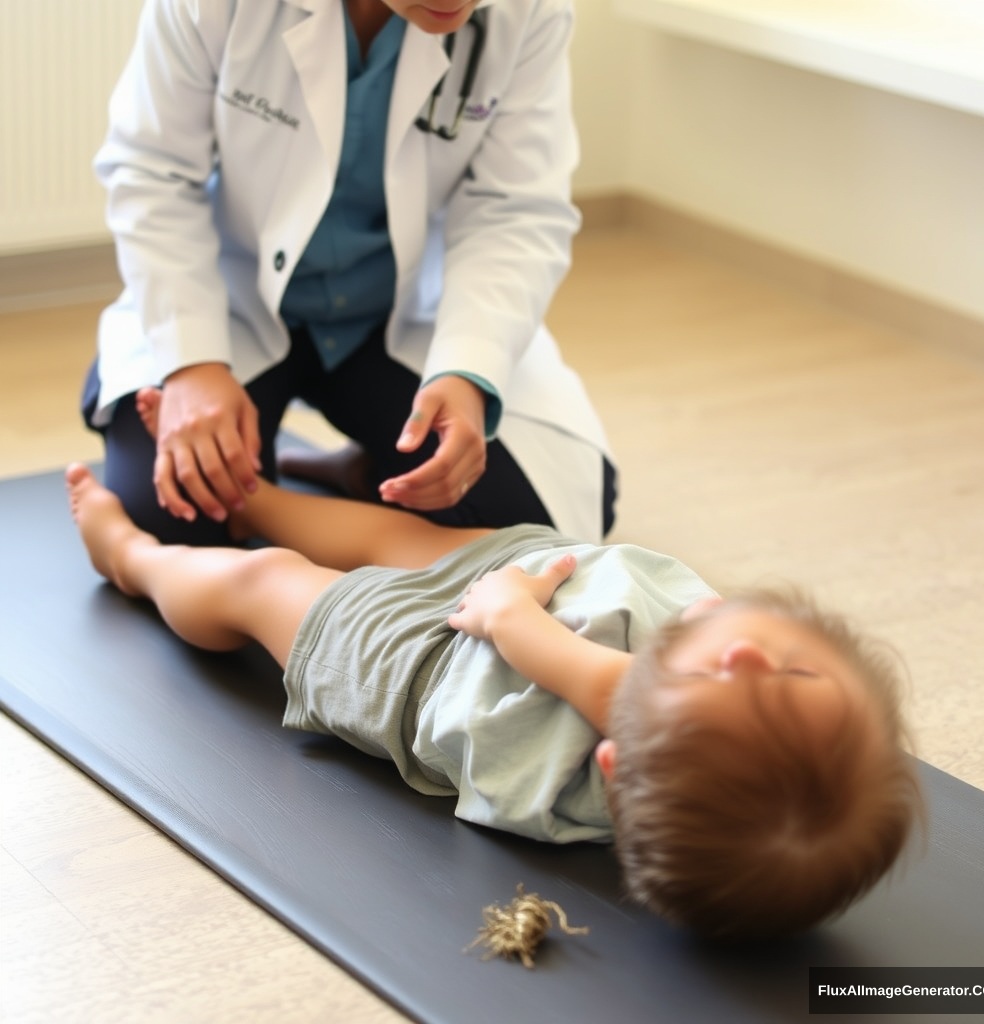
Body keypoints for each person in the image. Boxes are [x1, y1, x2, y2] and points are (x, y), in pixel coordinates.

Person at [65, 420, 924, 938]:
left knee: (267, 586)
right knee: (381, 532)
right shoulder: (710, 720)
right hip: (543, 583)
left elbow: (519, 632)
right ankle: (253, 499)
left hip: (424, 660)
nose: (746, 660)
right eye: (794, 672)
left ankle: (137, 558)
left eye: (722, 682)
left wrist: (517, 600)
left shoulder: (630, 715)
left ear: (618, 758)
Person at [81, 0, 616, 548]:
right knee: (176, 510)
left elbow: (514, 209)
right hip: (232, 304)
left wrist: (467, 370)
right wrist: (192, 363)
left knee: (537, 514)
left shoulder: (529, 12)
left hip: (394, 313)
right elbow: (152, 172)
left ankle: (347, 477)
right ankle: (268, 488)